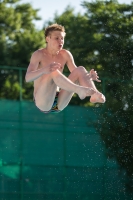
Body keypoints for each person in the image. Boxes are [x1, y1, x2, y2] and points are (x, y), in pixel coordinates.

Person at [25, 23, 105, 113]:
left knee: (80, 69)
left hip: (59, 102)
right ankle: (79, 90)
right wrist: (44, 70)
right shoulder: (38, 54)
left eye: (62, 38)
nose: (61, 41)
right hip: (43, 101)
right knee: (52, 71)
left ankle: (95, 94)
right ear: (48, 39)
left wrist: (88, 77)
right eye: (56, 38)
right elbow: (28, 78)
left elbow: (77, 75)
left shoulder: (65, 54)